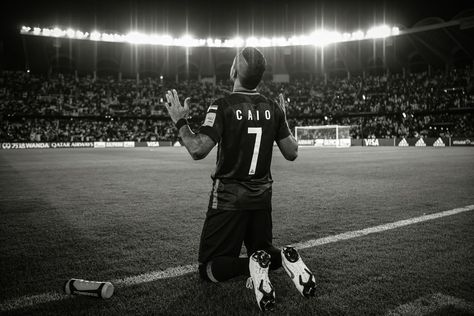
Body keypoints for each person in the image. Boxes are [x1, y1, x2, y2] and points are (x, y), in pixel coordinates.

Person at [164, 47, 316, 311]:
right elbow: (292, 152)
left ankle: (252, 265)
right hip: (261, 199)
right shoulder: (272, 108)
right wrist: (283, 118)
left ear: (233, 71)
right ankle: (283, 259)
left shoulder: (222, 105)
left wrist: (180, 121)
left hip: (229, 202)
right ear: (260, 78)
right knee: (264, 252)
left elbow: (198, 149)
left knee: (209, 268)